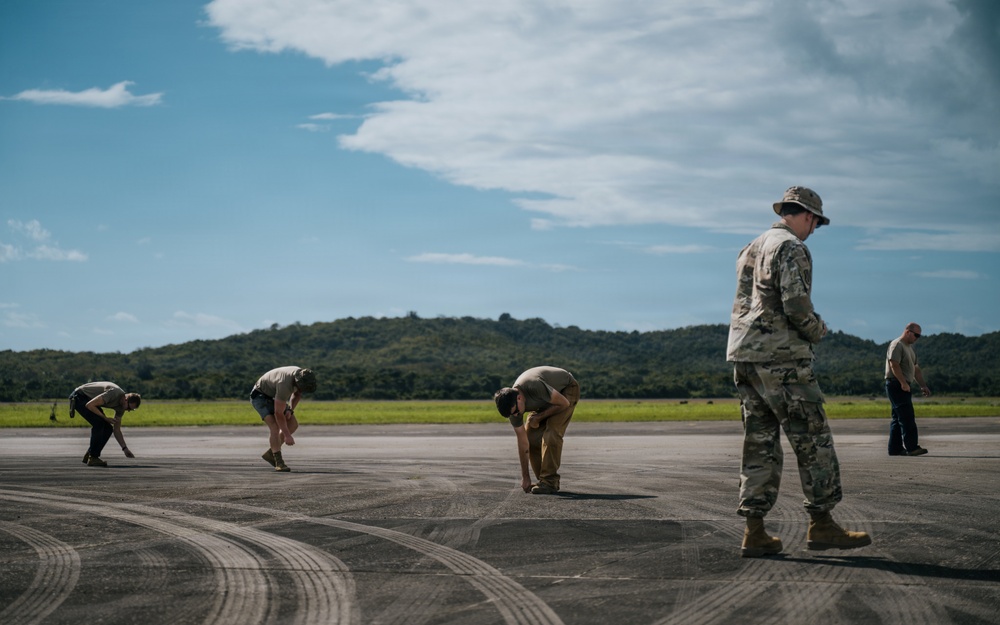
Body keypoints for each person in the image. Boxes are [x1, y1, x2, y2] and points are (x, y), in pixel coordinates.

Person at [727, 186, 871, 557]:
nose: (813, 230)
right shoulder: (791, 247)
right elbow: (795, 304)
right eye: (816, 223)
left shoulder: (751, 246)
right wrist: (816, 329)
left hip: (745, 357)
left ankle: (755, 530)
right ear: (806, 215)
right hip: (783, 358)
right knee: (813, 439)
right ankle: (822, 523)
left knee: (759, 444)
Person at [493, 366, 580, 495]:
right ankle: (544, 481)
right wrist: (525, 476)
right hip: (545, 400)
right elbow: (523, 443)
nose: (516, 416)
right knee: (531, 439)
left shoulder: (533, 386)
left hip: (566, 391)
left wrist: (539, 417)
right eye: (513, 415)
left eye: (517, 412)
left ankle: (549, 482)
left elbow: (564, 403)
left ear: (519, 398)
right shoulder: (512, 409)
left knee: (551, 435)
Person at [250, 366, 317, 472]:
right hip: (260, 397)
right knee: (275, 427)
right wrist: (287, 435)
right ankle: (279, 462)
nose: (301, 389)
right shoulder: (284, 385)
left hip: (273, 395)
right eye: (301, 387)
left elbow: (297, 394)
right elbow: (278, 413)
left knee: (293, 424)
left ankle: (271, 453)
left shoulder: (301, 376)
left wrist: (290, 410)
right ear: (297, 382)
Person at [69, 382, 141, 467]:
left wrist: (125, 449)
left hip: (89, 400)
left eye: (131, 410)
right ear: (125, 399)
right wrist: (105, 418)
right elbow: (90, 405)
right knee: (99, 424)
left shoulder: (121, 408)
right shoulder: (114, 393)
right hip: (79, 396)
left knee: (108, 428)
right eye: (129, 408)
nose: (128, 410)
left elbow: (116, 430)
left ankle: (90, 454)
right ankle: (93, 458)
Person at [885, 323, 931, 456]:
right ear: (908, 332)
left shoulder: (910, 349)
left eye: (919, 336)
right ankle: (912, 447)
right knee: (907, 417)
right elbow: (894, 364)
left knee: (897, 418)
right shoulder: (897, 344)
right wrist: (903, 383)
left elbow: (916, 370)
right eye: (916, 335)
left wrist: (923, 385)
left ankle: (895, 449)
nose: (917, 338)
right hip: (896, 384)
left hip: (902, 384)